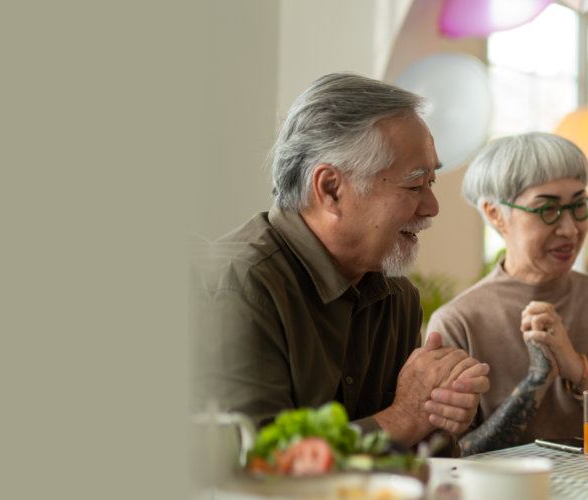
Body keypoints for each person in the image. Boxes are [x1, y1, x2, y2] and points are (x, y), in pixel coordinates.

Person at [196, 73, 491, 452]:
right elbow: (252, 465)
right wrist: (404, 418)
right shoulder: (238, 285)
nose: (431, 207)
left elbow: (416, 460)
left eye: (431, 183)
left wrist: (440, 417)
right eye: (414, 185)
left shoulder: (397, 296)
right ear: (331, 189)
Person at [427, 132, 588, 455]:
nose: (571, 228)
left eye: (579, 205)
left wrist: (581, 374)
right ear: (495, 213)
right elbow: (450, 458)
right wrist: (537, 379)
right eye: (548, 209)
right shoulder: (458, 322)